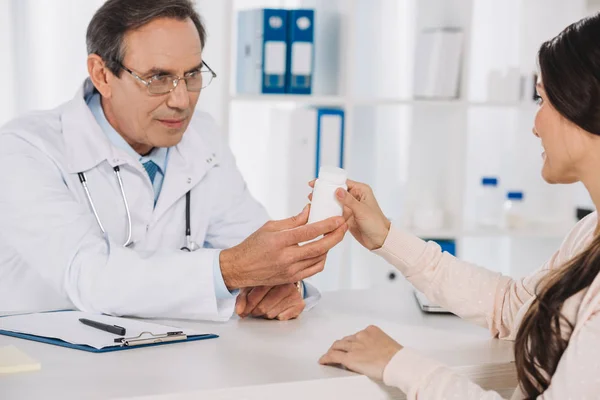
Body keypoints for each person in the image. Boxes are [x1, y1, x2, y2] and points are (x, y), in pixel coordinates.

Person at [0, 0, 348, 321]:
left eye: (192, 75)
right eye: (158, 78)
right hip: (45, 364)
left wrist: (282, 285)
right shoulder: (25, 149)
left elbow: (251, 244)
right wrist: (231, 270)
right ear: (102, 74)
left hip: (170, 358)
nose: (181, 100)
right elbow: (89, 276)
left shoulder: (202, 136)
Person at [320, 13, 600, 400]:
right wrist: (385, 235)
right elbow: (508, 307)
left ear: (584, 104)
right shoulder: (590, 233)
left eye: (542, 98)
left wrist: (400, 364)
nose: (535, 125)